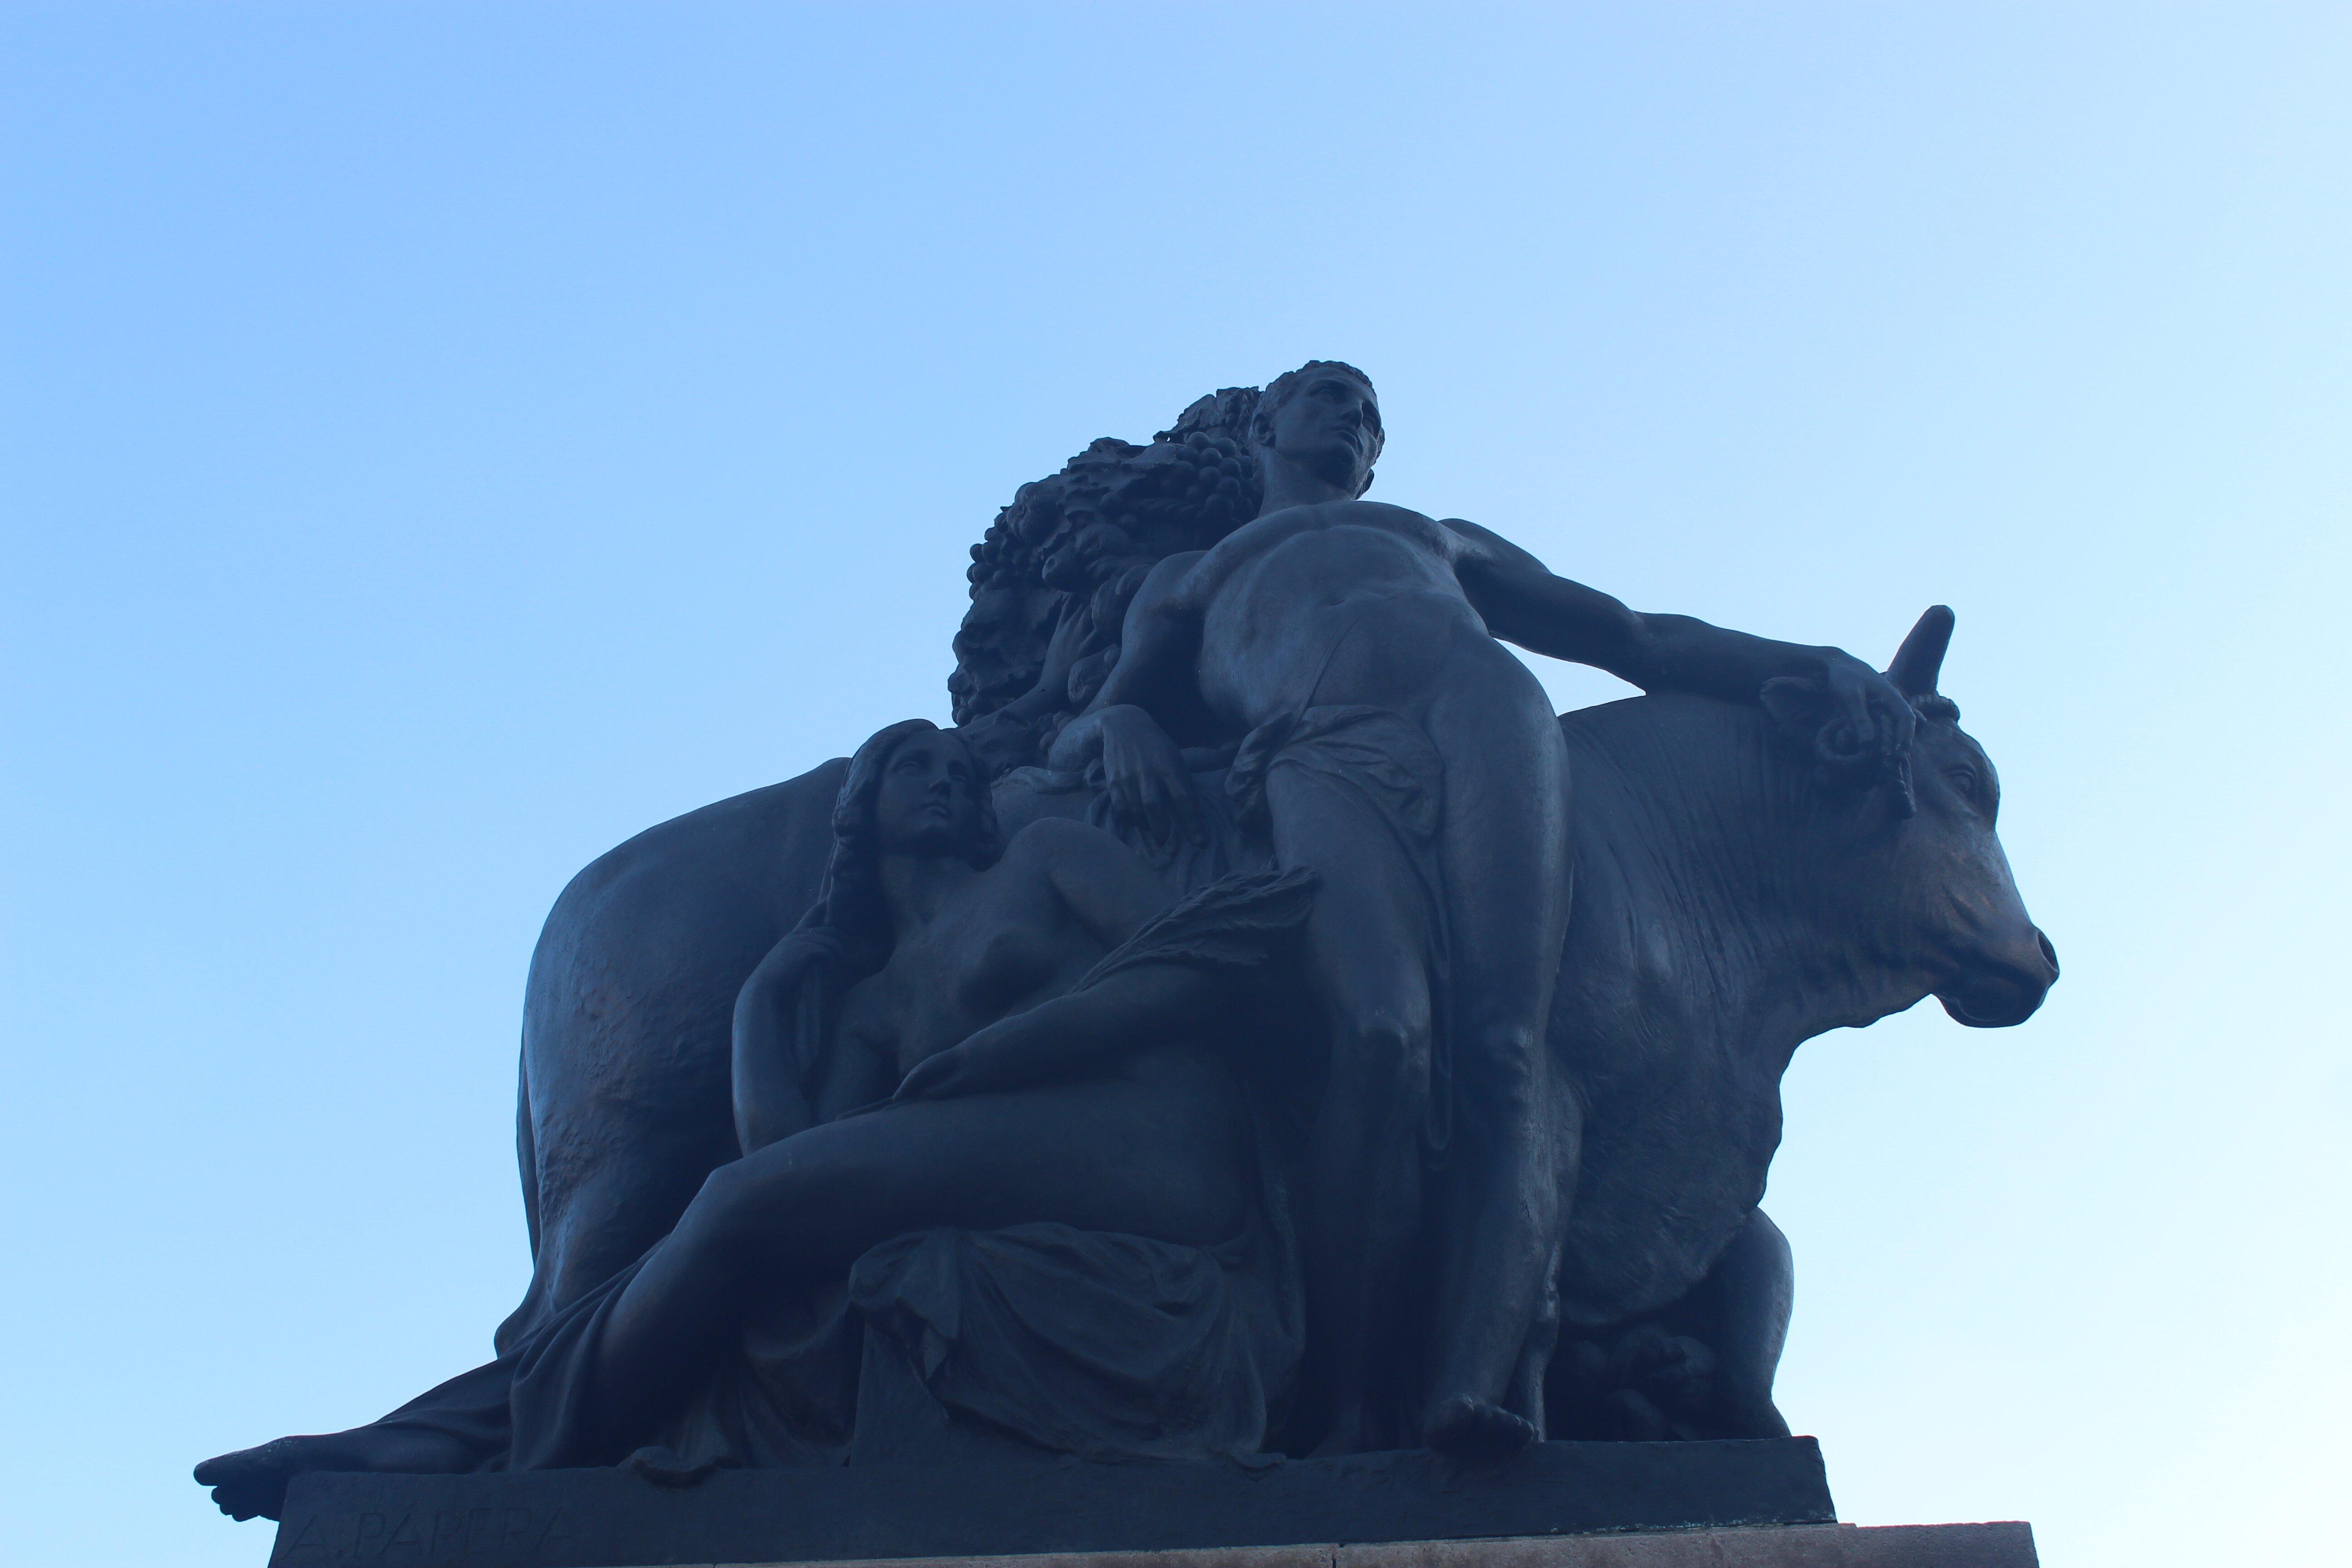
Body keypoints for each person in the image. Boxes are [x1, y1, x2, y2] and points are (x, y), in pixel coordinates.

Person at [1049, 361, 1917, 1455]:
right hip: (1321, 751)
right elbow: (1083, 730)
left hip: (1489, 718)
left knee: (1509, 1051)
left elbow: (1634, 637)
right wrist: (1119, 726)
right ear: (1267, 424)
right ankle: (1346, 1402)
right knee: (1382, 1033)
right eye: (1331, 396)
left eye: (1372, 416)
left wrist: (1810, 663)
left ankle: (1470, 1391)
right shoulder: (1192, 577)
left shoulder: (1434, 539)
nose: (1355, 419)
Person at [505, 718, 1312, 1466]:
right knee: (735, 1204)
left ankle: (539, 1437)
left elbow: (1199, 965)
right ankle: (536, 1430)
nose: (945, 781)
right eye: (915, 767)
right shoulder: (875, 1004)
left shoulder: (1046, 856)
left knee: (733, 1204)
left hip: (1158, 1141)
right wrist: (759, 1000)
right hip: (1040, 1170)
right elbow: (786, 1164)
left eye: (961, 773)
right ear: (859, 807)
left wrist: (1006, 1054)